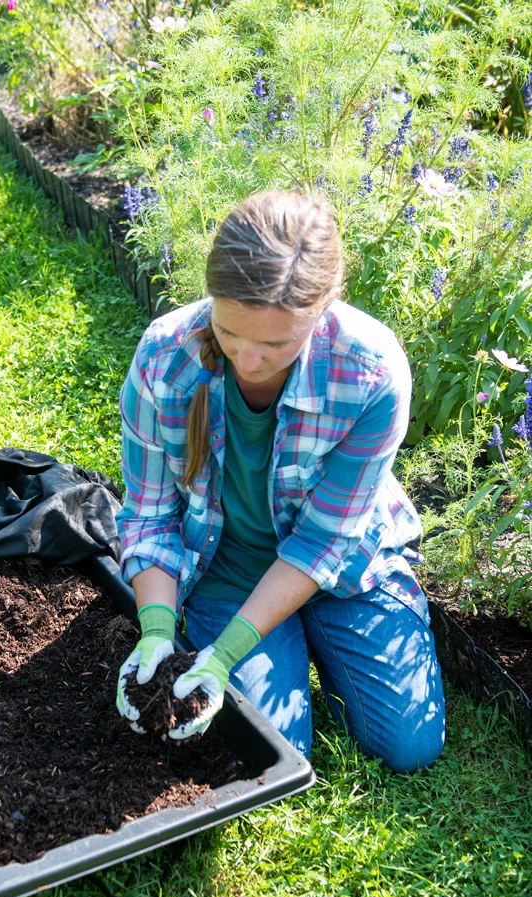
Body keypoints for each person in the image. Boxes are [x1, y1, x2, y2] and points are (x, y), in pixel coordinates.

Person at [114, 190, 445, 772]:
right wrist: (157, 630)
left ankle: (314, 624)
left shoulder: (369, 372)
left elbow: (325, 541)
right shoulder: (163, 359)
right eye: (231, 332)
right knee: (277, 750)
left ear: (322, 312)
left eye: (275, 343)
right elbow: (149, 516)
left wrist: (227, 655)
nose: (248, 360)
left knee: (408, 747)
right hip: (227, 566)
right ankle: (281, 635)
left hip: (343, 562)